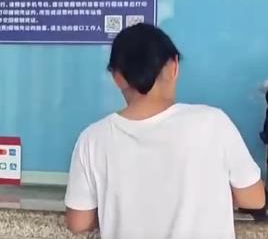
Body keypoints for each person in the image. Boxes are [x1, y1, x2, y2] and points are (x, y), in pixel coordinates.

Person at [64, 23, 265, 238]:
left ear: (117, 77)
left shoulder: (93, 139)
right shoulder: (213, 123)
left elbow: (78, 222)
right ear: (174, 67)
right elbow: (255, 199)